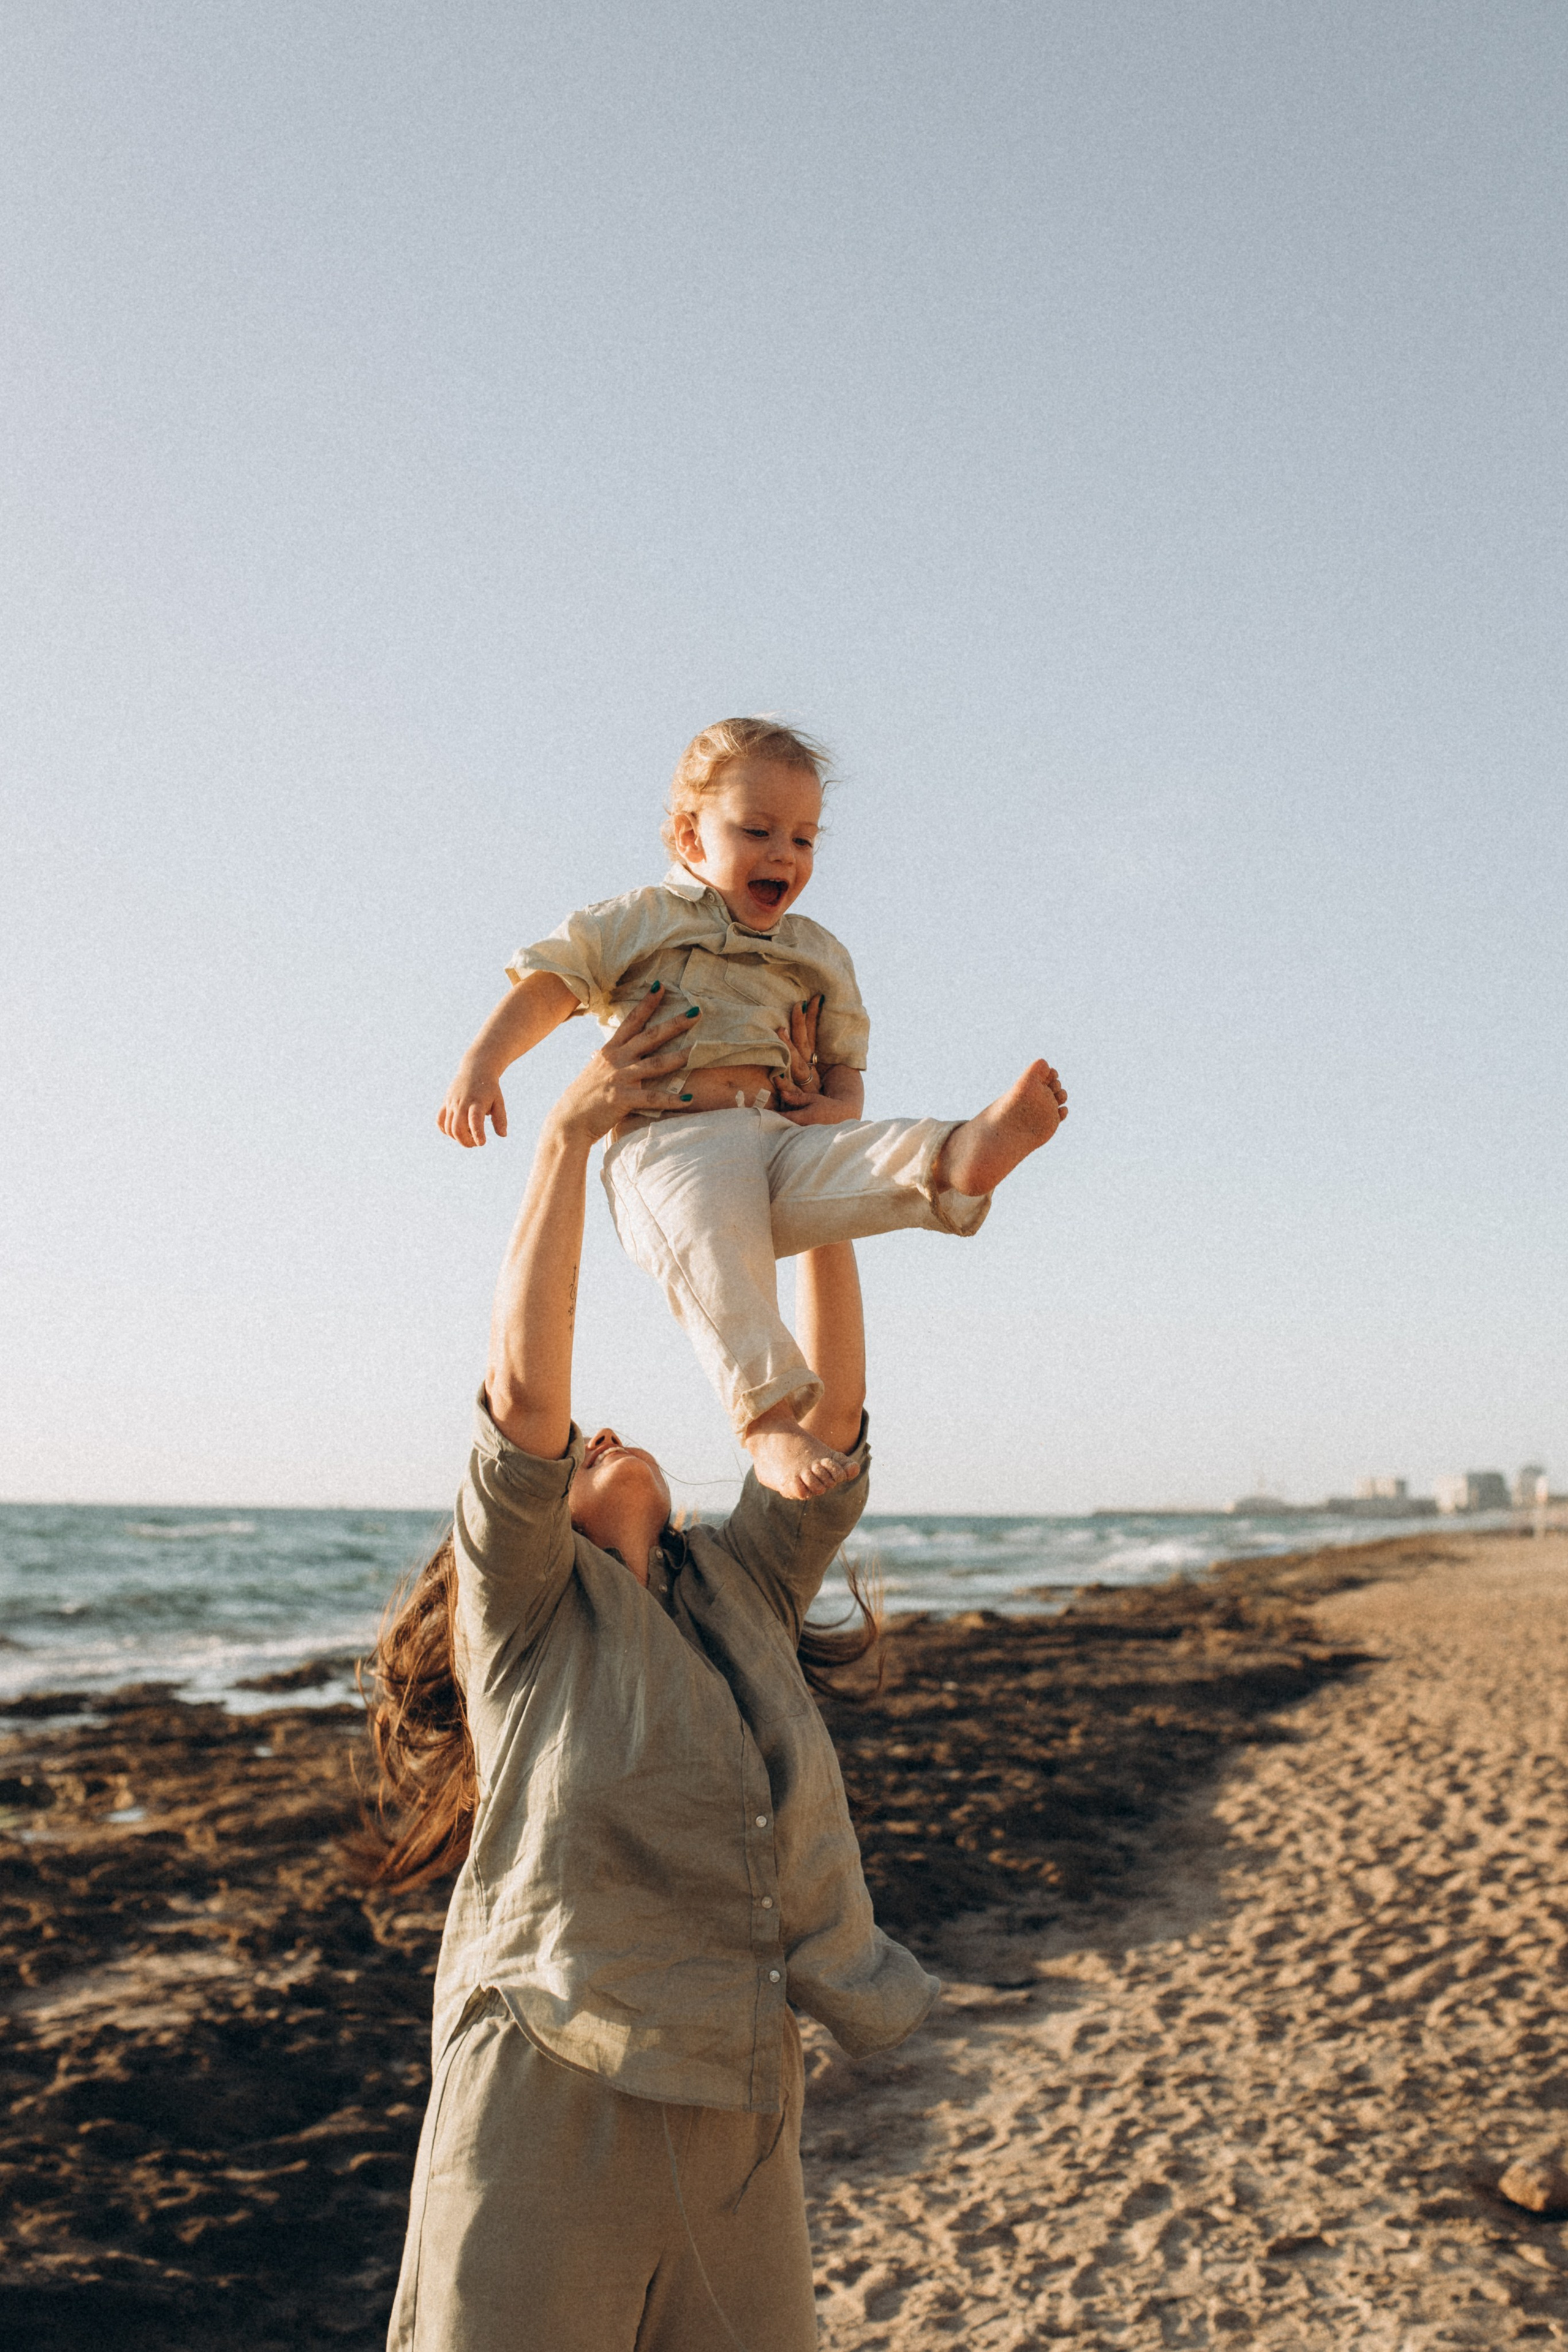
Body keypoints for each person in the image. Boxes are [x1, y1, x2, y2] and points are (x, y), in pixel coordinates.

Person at [374, 990, 937, 2352]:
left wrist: (820, 1181)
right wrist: (563, 1138)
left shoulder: (731, 1589)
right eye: (580, 1446)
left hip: (740, 2098)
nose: (599, 1433)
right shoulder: (520, 1625)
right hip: (546, 2094)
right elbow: (521, 1399)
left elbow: (832, 1422)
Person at [439, 717, 1069, 1503]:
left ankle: (956, 1159)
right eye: (759, 831)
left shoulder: (817, 953)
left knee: (860, 1154)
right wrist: (483, 1063)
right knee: (716, 1252)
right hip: (669, 1148)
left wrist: (829, 1105)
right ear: (689, 838)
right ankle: (767, 1415)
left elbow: (844, 1075)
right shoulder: (637, 920)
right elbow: (549, 986)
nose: (785, 855)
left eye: (805, 839)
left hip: (777, 1135)